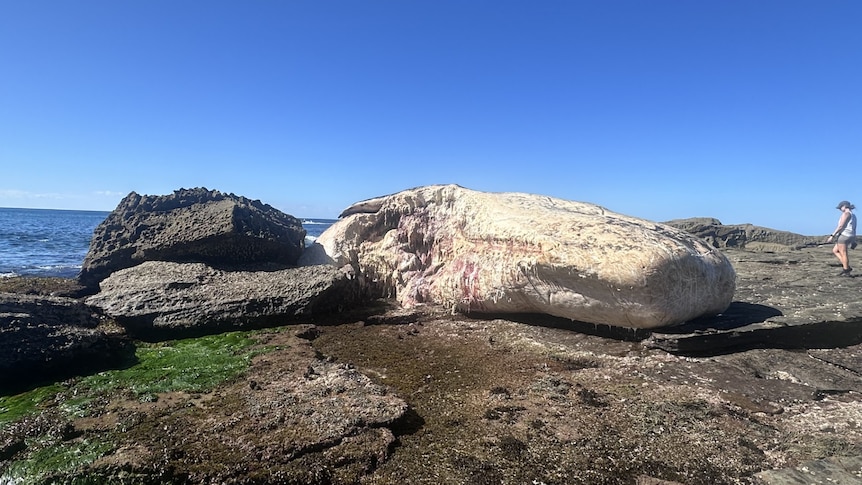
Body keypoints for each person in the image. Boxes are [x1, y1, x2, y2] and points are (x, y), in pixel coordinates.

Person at [826, 200, 857, 276]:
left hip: (844, 236)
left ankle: (846, 270)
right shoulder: (853, 215)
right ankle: (846, 266)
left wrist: (832, 236)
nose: (840, 209)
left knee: (843, 253)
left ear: (844, 206)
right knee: (835, 250)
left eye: (840, 207)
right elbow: (854, 228)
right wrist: (853, 240)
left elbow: (840, 226)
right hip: (850, 235)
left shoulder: (846, 214)